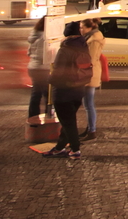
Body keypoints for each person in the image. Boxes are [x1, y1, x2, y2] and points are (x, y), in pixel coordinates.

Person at [43, 22, 93, 159]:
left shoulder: (65, 50)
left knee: (68, 123)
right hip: (78, 89)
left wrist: (49, 79)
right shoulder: (83, 47)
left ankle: (75, 149)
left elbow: (58, 72)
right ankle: (60, 148)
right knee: (68, 121)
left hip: (63, 91)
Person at [79, 17, 105, 141]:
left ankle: (92, 131)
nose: (81, 30)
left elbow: (91, 58)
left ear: (89, 28)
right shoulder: (91, 37)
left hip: (90, 73)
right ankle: (89, 128)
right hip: (89, 71)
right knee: (87, 103)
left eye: (82, 27)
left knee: (89, 104)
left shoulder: (94, 39)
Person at [26, 17, 49, 118]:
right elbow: (44, 55)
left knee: (38, 92)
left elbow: (28, 53)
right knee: (46, 94)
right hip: (42, 69)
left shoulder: (35, 34)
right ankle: (44, 116)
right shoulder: (44, 37)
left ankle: (33, 116)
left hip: (33, 67)